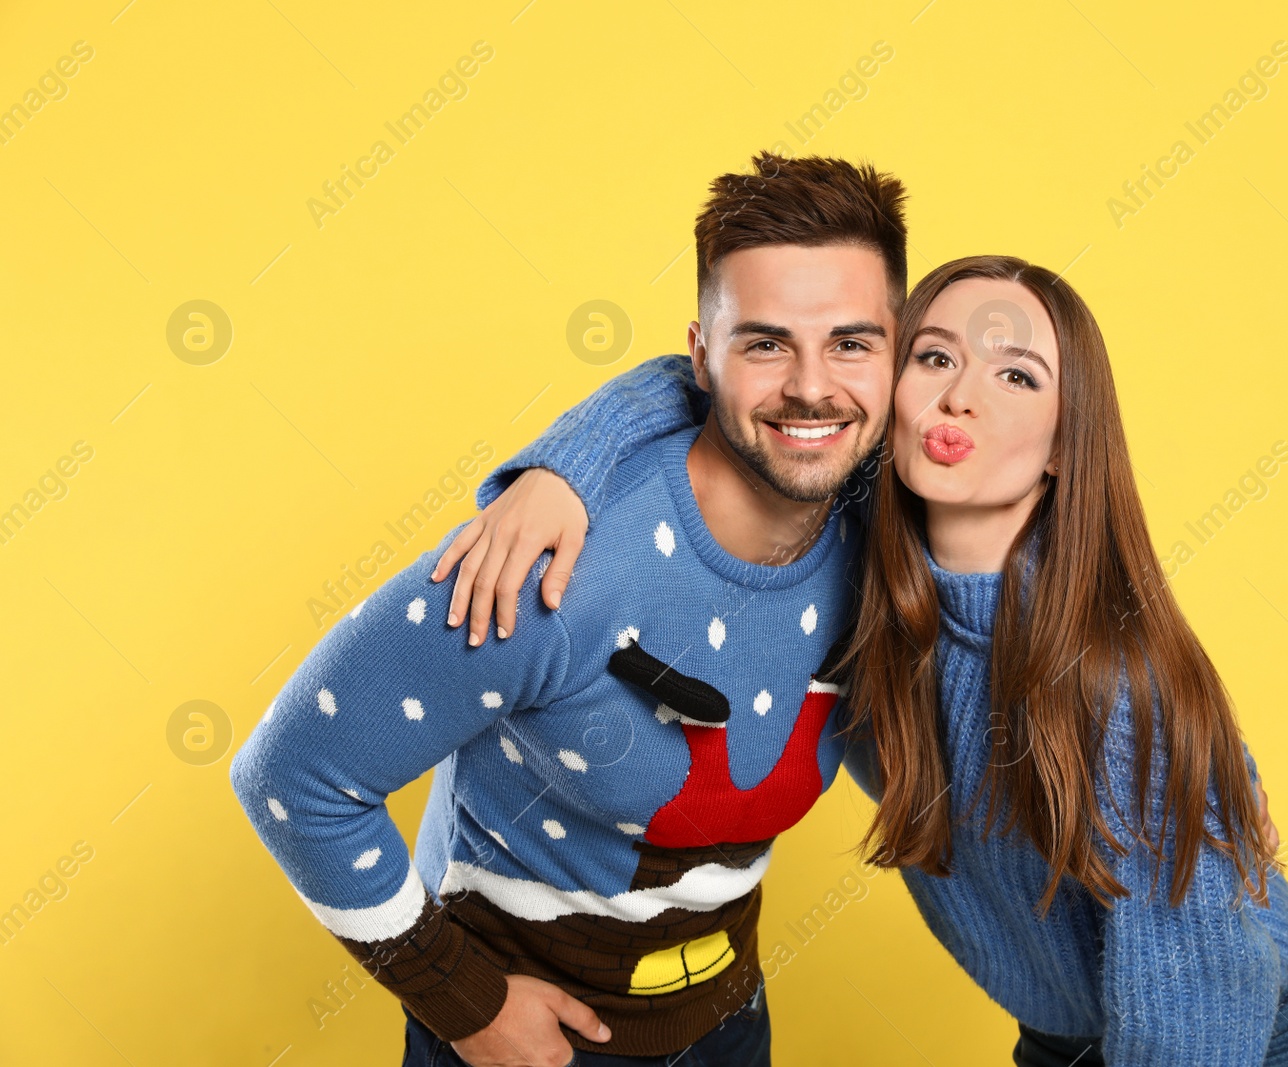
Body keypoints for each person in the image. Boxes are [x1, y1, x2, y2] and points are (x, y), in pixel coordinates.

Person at [445, 249, 1288, 1062]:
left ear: (1064, 443)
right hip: (1074, 1027)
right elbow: (710, 377)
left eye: (1018, 377)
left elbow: (1192, 1004)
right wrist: (559, 473)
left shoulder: (1107, 689)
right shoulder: (859, 558)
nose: (960, 393)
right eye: (935, 357)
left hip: (1247, 1025)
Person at [230, 153, 911, 1067]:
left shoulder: (880, 531)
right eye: (765, 342)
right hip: (531, 1047)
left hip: (727, 1022)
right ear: (701, 356)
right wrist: (462, 1003)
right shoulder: (555, 565)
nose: (813, 386)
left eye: (852, 343)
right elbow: (292, 775)